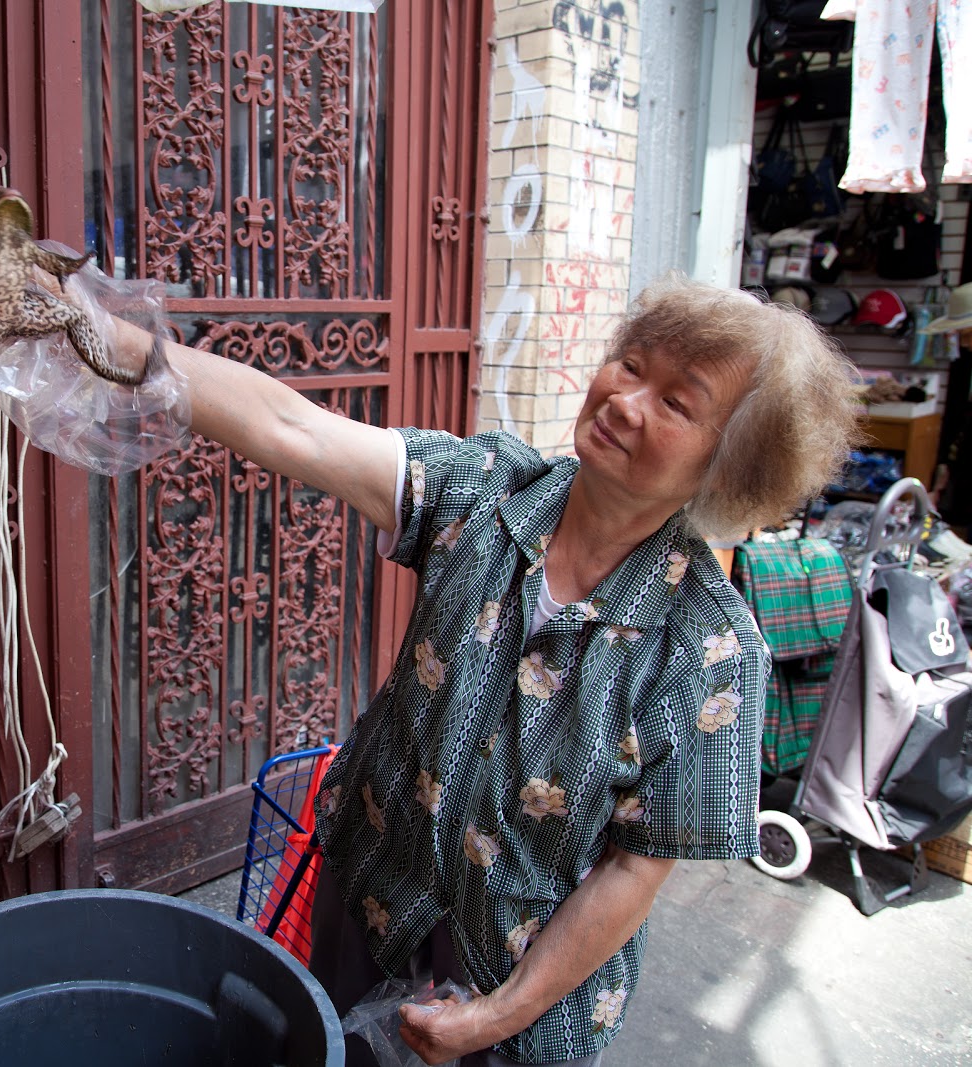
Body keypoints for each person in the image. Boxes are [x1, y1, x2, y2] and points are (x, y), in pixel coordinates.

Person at [60, 272, 855, 1063]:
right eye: (633, 364)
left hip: (515, 989)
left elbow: (633, 868)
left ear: (728, 466)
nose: (625, 399)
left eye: (678, 402)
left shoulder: (710, 649)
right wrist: (108, 336)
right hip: (366, 901)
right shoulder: (483, 491)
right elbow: (291, 428)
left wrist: (497, 1016)